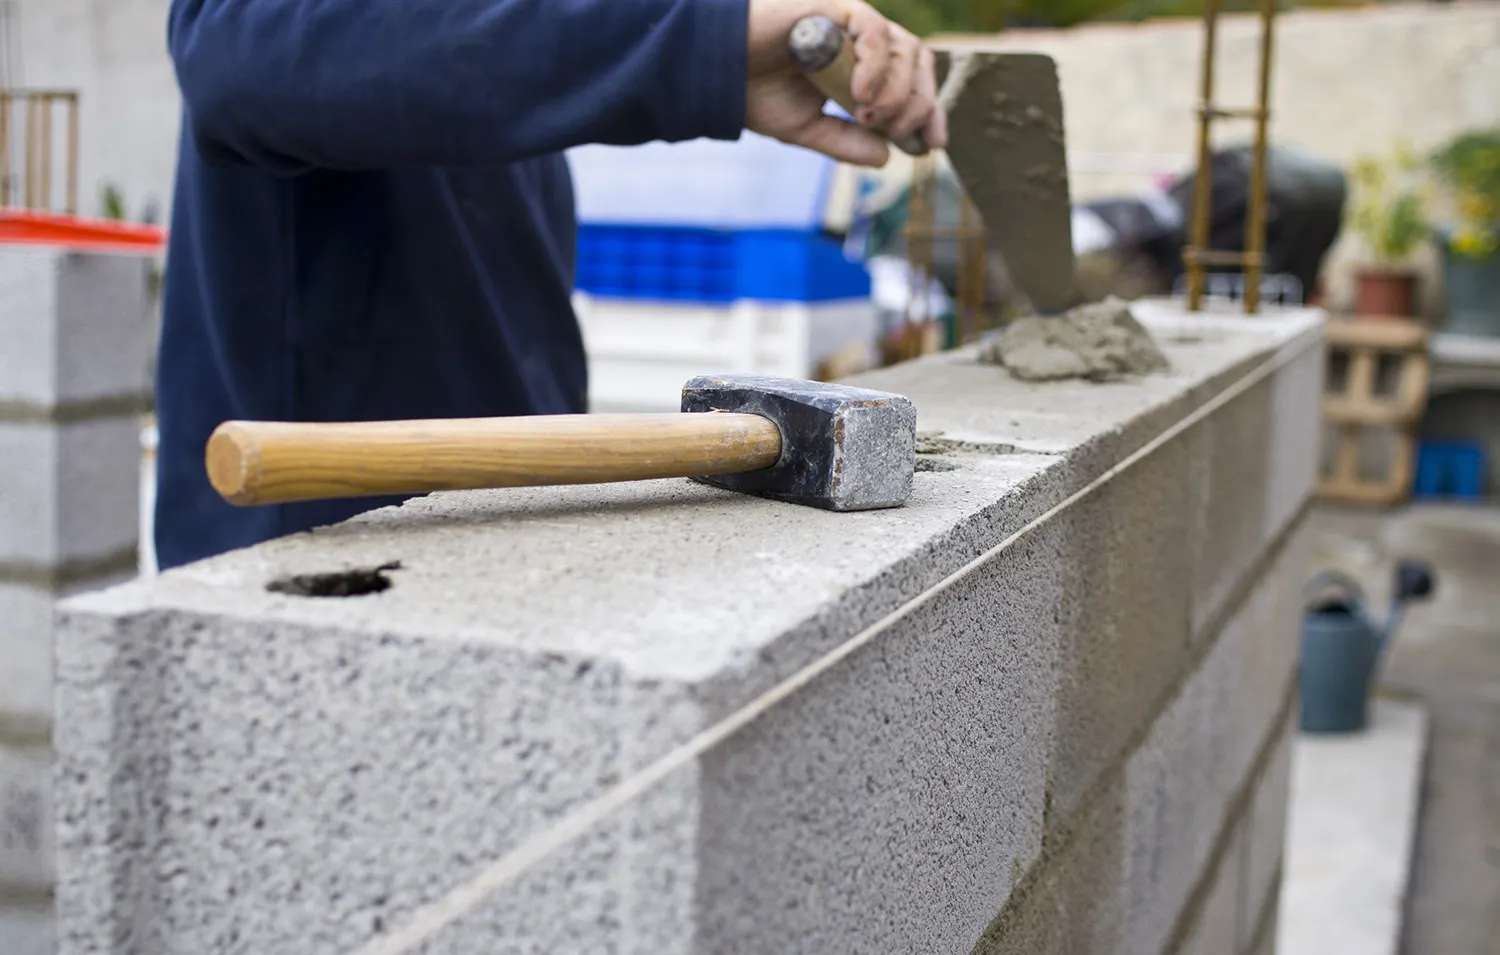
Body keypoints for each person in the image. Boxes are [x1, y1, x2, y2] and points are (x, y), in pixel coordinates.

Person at [154, 0, 946, 570]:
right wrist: (698, 47)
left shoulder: (500, 60)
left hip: (493, 557)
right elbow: (239, 61)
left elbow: (481, 54)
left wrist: (716, 71)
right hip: (309, 577)